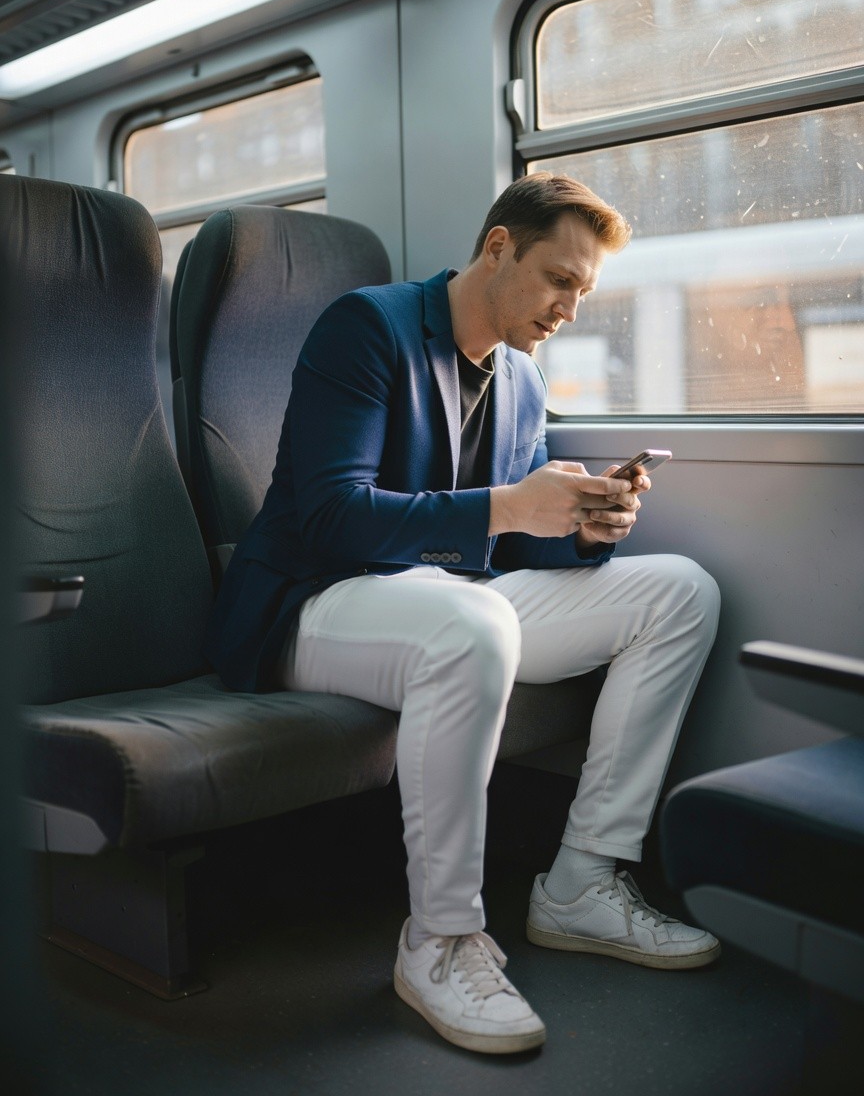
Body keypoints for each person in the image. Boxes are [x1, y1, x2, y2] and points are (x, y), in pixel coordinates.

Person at [206, 172, 721, 1056]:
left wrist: (585, 529)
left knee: (679, 588)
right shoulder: (367, 327)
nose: (570, 307)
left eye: (584, 291)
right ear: (497, 248)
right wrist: (510, 508)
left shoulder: (521, 379)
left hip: (447, 596)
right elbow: (332, 516)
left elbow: (510, 544)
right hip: (319, 601)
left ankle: (583, 882)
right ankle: (439, 939)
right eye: (559, 278)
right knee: (475, 625)